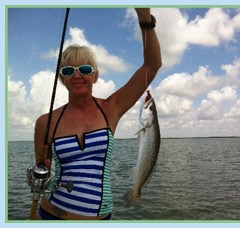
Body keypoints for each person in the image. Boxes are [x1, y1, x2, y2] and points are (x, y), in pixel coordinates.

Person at [33, 8, 161, 220]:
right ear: (61, 79)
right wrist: (37, 176)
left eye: (84, 69)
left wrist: (145, 20)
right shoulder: (45, 123)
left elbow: (152, 64)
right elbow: (41, 171)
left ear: (95, 76)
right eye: (67, 71)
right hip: (49, 215)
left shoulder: (111, 108)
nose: (76, 75)